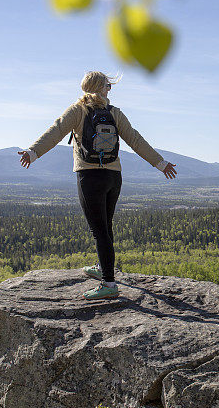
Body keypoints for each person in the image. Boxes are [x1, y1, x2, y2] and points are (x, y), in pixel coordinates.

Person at [18, 71, 177, 300]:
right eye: (108, 86)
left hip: (89, 176)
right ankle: (105, 270)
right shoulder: (114, 113)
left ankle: (109, 283)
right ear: (99, 88)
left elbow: (57, 130)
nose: (110, 90)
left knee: (98, 230)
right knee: (106, 226)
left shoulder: (78, 111)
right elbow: (135, 140)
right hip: (114, 177)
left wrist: (33, 152)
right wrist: (160, 164)